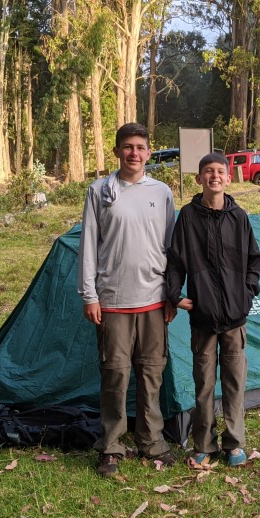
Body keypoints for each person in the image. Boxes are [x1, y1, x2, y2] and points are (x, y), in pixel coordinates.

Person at [78, 122, 177, 477]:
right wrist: (89, 295)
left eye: (140, 147)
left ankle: (152, 442)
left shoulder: (162, 192)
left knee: (151, 374)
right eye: (128, 147)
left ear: (149, 153)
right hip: (113, 300)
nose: (134, 153)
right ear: (117, 151)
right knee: (115, 376)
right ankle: (112, 447)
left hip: (154, 300)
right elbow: (89, 245)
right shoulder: (99, 191)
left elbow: (171, 248)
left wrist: (172, 295)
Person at [165, 152, 260, 467]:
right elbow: (175, 261)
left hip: (235, 318)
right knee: (204, 383)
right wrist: (174, 295)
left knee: (234, 382)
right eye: (208, 171)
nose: (214, 176)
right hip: (203, 319)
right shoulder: (188, 217)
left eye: (220, 171)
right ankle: (204, 444)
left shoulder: (239, 217)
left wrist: (247, 294)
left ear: (228, 178)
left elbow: (253, 261)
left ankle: (235, 443)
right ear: (199, 178)